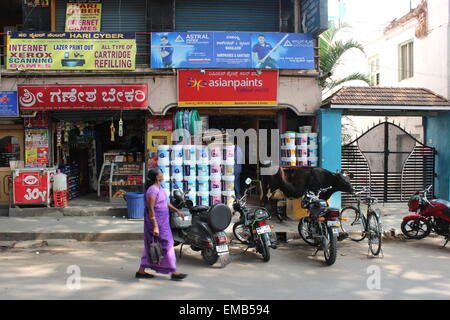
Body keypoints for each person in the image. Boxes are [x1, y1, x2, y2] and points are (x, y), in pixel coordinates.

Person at [136, 168, 188, 281]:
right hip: (156, 222)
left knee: (151, 245)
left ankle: (141, 270)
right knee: (168, 244)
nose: (162, 174)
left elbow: (165, 202)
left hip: (163, 221)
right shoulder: (152, 190)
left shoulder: (160, 188)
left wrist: (176, 211)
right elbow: (150, 208)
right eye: (161, 173)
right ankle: (174, 271)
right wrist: (155, 225)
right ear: (156, 177)